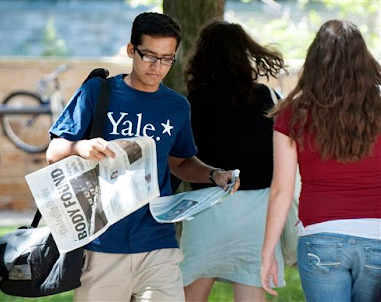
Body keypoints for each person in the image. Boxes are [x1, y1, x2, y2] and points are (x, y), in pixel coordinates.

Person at [46, 12, 239, 302]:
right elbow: (53, 153)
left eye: (166, 58)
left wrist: (214, 174)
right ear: (131, 50)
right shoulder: (98, 93)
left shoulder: (177, 107)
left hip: (158, 243)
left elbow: (181, 163)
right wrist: (80, 148)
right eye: (149, 56)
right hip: (101, 246)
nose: (157, 67)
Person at [261, 19, 381, 302]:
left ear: (315, 60)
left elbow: (281, 190)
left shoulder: (294, 111)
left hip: (320, 236)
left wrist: (268, 252)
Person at [179, 20, 287, 302]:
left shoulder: (196, 100)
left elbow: (183, 157)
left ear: (202, 55)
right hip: (258, 213)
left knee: (192, 291)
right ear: (243, 54)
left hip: (207, 210)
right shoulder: (265, 96)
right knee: (251, 290)